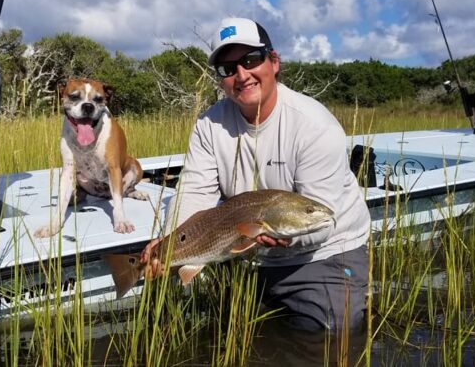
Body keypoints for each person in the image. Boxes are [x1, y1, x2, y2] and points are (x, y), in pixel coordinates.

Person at [142, 17, 371, 333]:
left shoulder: (315, 126)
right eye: (227, 68)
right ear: (220, 79)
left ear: (274, 62)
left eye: (251, 59)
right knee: (227, 329)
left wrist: (277, 236)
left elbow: (321, 222)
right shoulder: (210, 124)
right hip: (246, 249)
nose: (241, 74)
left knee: (330, 334)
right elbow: (194, 192)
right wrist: (168, 244)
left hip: (322, 253)